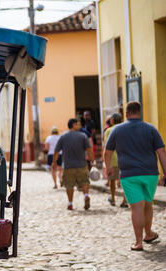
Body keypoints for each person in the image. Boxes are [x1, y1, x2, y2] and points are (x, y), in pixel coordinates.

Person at [105, 101, 166, 251]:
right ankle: (148, 233)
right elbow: (161, 152)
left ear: (126, 113)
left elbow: (108, 152)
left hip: (129, 175)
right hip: (150, 174)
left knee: (136, 208)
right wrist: (165, 172)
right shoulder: (150, 128)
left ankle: (138, 242)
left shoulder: (117, 130)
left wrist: (109, 169)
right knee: (148, 204)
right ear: (140, 112)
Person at [52, 118, 95, 210]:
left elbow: (56, 151)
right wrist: (92, 160)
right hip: (82, 165)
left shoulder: (63, 137)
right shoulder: (83, 136)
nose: (80, 126)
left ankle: (70, 203)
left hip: (68, 166)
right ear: (73, 125)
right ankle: (86, 195)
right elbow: (89, 150)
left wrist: (54, 162)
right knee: (84, 182)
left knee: (69, 185)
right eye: (78, 124)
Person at [103, 112, 128, 208]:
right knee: (124, 180)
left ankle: (113, 198)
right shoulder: (125, 129)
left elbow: (106, 146)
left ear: (112, 121)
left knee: (112, 181)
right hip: (124, 158)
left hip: (112, 159)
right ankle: (125, 200)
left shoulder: (108, 131)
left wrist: (106, 163)